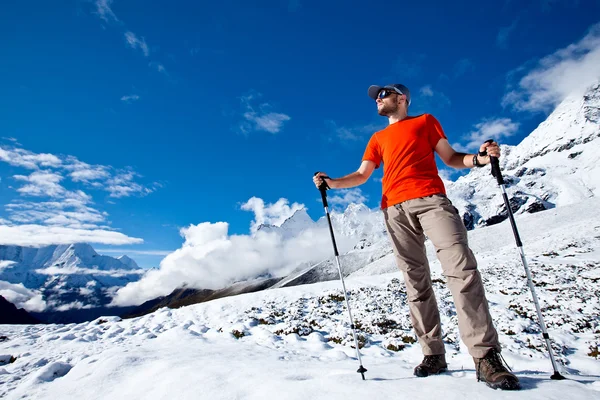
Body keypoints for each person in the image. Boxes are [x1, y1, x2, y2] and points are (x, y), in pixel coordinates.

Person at [313, 84, 520, 391]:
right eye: (377, 97)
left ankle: (486, 357)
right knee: (415, 282)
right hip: (393, 210)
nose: (379, 99)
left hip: (431, 200)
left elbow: (450, 158)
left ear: (403, 98)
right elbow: (362, 175)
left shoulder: (425, 122)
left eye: (385, 94)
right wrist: (332, 182)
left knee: (461, 271)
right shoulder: (377, 138)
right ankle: (433, 354)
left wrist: (478, 160)